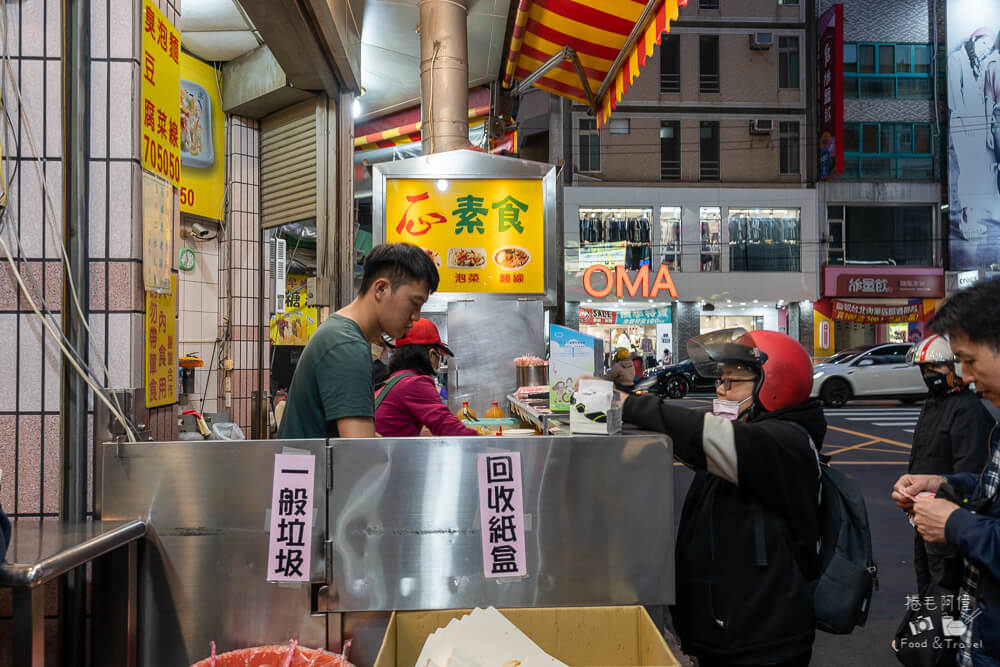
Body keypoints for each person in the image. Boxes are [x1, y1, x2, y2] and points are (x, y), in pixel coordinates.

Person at [620, 328, 825, 666]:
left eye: (733, 382)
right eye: (720, 380)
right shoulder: (749, 435)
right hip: (727, 634)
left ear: (773, 385)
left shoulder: (783, 443)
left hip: (761, 642)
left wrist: (628, 404)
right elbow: (693, 440)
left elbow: (699, 434)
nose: (720, 389)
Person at [892, 281, 1000, 667]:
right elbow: (988, 487)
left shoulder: (969, 410)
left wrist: (955, 524)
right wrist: (940, 484)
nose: (965, 376)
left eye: (968, 360)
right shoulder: (939, 407)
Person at [277, 243, 439, 438]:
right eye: (414, 303)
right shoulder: (347, 345)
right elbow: (360, 451)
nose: (416, 316)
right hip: (318, 468)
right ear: (381, 289)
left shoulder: (339, 333)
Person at [905, 334, 993, 592]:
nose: (929, 374)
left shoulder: (967, 410)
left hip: (947, 526)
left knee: (945, 594)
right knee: (927, 590)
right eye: (924, 369)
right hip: (924, 518)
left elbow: (970, 475)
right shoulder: (934, 403)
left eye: (936, 367)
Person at [374, 318, 477, 437]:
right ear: (432, 355)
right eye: (441, 355)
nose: (440, 360)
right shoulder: (415, 383)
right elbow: (450, 428)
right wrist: (489, 444)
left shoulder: (398, 380)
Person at [948, 27, 997, 241]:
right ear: (975, 39)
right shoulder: (956, 59)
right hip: (963, 124)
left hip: (975, 126)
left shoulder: (977, 63)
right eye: (985, 44)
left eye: (990, 47)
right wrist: (968, 125)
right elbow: (955, 98)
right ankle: (967, 221)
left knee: (979, 172)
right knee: (968, 171)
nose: (987, 50)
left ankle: (974, 218)